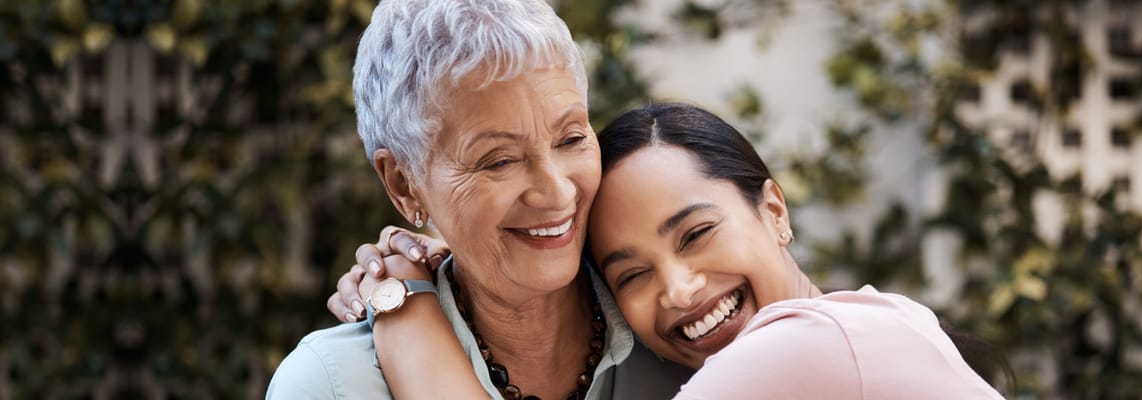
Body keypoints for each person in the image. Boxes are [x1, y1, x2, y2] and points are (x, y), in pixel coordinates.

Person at [337, 103, 1007, 398]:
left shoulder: (804, 348)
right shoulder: (871, 322)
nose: (680, 290)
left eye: (695, 234)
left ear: (773, 209)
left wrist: (406, 305)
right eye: (631, 275)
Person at [267, 0, 693, 398]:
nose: (557, 191)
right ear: (402, 182)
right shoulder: (332, 384)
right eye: (499, 161)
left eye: (572, 138)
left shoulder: (685, 324)